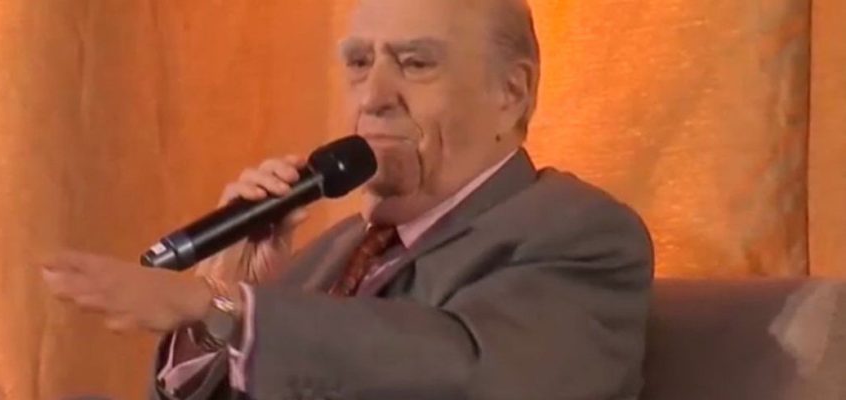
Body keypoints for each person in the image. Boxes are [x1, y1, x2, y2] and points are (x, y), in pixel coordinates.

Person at [40, 0, 655, 399]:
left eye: (415, 63)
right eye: (359, 63)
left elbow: (472, 372)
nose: (373, 96)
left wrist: (227, 312)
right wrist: (219, 304)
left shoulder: (579, 233)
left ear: (511, 93)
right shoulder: (333, 251)